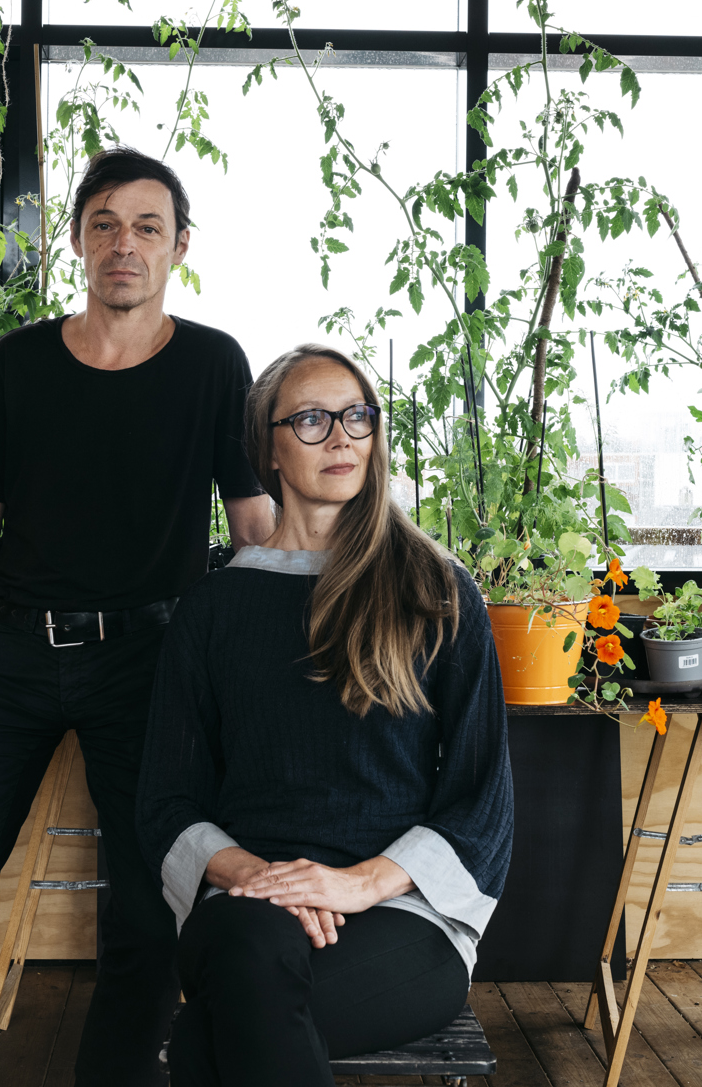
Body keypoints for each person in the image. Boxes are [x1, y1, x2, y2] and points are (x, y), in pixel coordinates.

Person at [0, 147, 275, 1087]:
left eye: (148, 227)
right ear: (80, 243)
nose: (126, 244)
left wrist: (257, 674)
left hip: (149, 659)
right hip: (7, 657)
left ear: (180, 247)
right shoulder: (19, 364)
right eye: (106, 225)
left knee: (144, 908)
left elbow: (253, 527)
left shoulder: (213, 364)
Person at [136, 344, 514, 1087]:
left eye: (356, 416)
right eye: (311, 419)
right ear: (267, 449)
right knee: (247, 958)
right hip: (247, 904)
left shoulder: (435, 591)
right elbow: (165, 799)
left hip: (403, 915)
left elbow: (483, 801)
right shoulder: (213, 609)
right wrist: (269, 878)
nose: (341, 436)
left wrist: (356, 883)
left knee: (212, 1035)